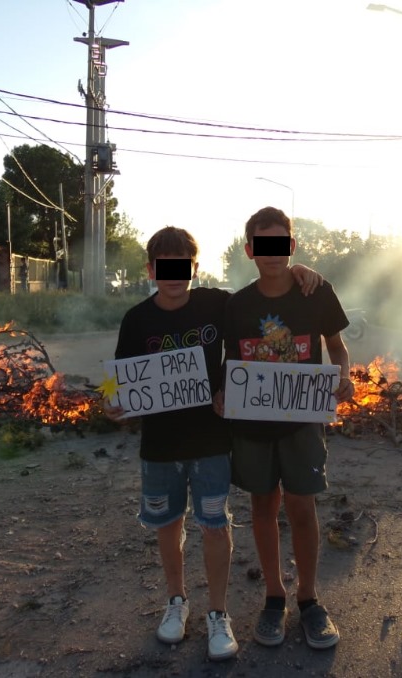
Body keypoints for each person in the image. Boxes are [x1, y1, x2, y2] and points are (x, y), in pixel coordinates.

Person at [108, 226, 324, 660]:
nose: (173, 275)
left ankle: (217, 613)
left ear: (193, 267)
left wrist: (296, 270)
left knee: (214, 526)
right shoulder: (136, 319)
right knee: (169, 526)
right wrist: (111, 402)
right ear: (150, 270)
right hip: (160, 447)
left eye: (182, 266)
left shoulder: (216, 304)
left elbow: (262, 294)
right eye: (164, 267)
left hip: (211, 443)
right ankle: (176, 602)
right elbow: (120, 376)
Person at [221, 207, 353, 651]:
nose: (273, 254)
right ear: (250, 250)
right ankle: (274, 597)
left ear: (292, 247)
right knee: (263, 505)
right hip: (253, 428)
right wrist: (221, 394)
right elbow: (227, 363)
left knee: (301, 506)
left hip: (303, 423)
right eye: (264, 245)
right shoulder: (236, 305)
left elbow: (337, 348)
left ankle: (310, 599)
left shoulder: (316, 293)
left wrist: (344, 375)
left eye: (281, 245)